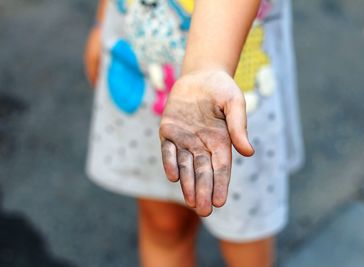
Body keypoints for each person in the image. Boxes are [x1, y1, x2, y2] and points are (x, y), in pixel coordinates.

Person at [84, 0, 304, 266]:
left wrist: (205, 68)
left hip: (231, 79)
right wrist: (103, 15)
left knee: (244, 232)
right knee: (163, 224)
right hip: (142, 54)